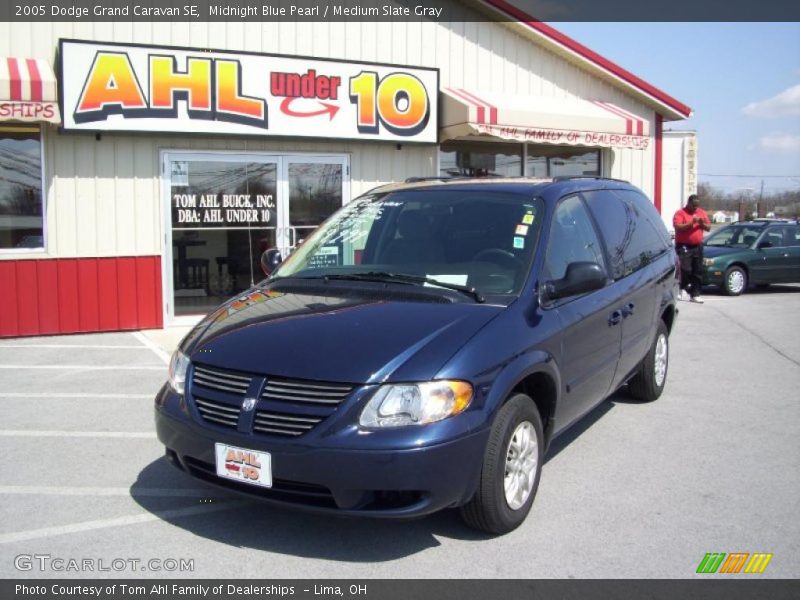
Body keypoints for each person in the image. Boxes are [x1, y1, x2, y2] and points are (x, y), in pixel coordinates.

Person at [673, 194, 711, 303]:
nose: (695, 208)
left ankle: (695, 294)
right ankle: (680, 288)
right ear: (688, 203)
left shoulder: (701, 212)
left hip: (697, 246)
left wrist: (701, 223)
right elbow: (678, 227)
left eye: (697, 206)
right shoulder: (680, 213)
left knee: (697, 270)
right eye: (693, 206)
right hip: (684, 245)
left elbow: (708, 227)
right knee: (685, 269)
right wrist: (692, 223)